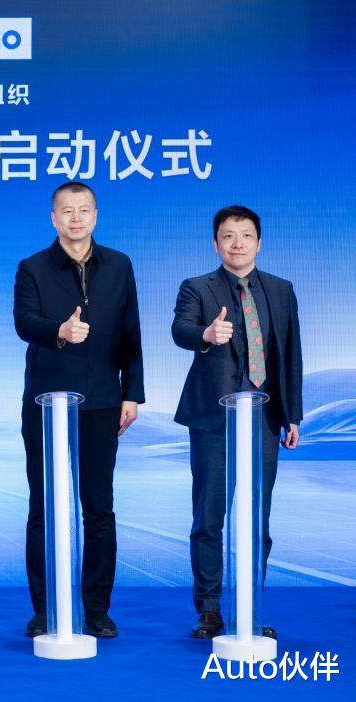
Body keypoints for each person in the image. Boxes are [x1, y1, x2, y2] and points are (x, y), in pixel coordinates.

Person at [13, 181, 144, 639]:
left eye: (83, 210)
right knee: (43, 506)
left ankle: (96, 609)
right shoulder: (32, 267)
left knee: (99, 508)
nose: (75, 218)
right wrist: (60, 331)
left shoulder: (119, 265)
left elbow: (131, 332)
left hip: (103, 401)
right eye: (66, 211)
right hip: (45, 404)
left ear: (95, 215)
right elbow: (23, 322)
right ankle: (44, 608)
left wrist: (132, 393)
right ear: (53, 218)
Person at [172, 205, 301, 640]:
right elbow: (180, 329)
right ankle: (209, 610)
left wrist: (292, 415)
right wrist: (206, 335)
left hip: (264, 416)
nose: (237, 243)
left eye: (245, 235)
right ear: (216, 244)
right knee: (209, 516)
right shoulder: (197, 287)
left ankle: (250, 607)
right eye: (228, 236)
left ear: (258, 242)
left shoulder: (281, 290)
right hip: (213, 416)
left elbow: (291, 354)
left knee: (257, 518)